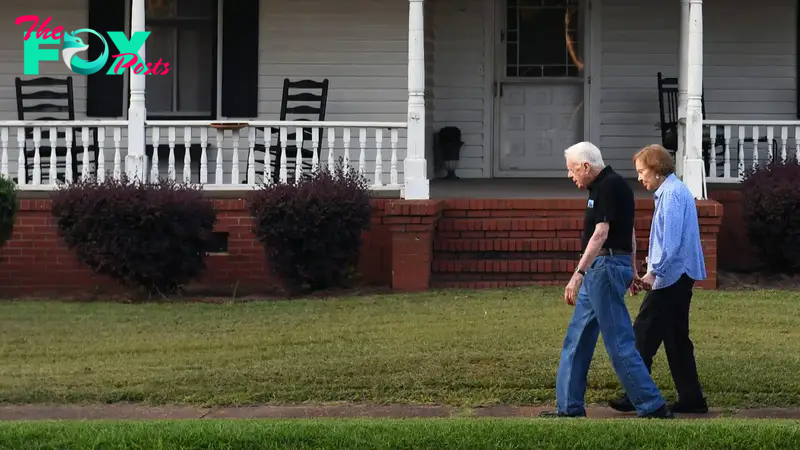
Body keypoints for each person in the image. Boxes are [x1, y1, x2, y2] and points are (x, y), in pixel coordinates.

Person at [539, 141, 673, 419]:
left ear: (586, 166)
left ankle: (652, 405)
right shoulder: (605, 187)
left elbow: (601, 234)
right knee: (577, 339)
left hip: (604, 268)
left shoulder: (608, 186)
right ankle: (568, 408)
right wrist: (633, 268)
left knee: (619, 341)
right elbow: (632, 231)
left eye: (572, 169)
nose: (569, 175)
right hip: (607, 266)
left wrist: (578, 274)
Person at [608, 144, 709, 414]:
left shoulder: (672, 195)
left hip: (672, 277)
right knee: (676, 338)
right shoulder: (672, 192)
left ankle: (636, 394)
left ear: (656, 169)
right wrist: (649, 265)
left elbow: (672, 243)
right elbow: (668, 241)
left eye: (642, 172)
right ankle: (692, 399)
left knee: (642, 333)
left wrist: (654, 272)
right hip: (678, 275)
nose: (640, 177)